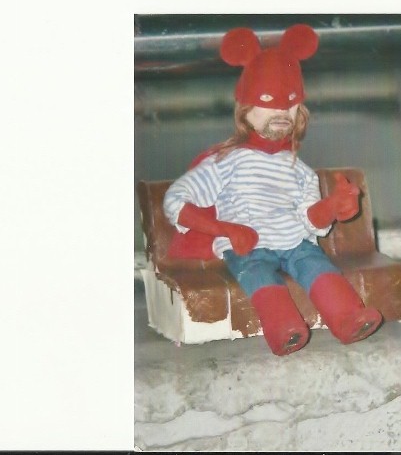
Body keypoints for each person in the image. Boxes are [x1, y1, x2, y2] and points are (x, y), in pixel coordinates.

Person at [163, 24, 383, 356]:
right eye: (268, 101)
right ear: (245, 110)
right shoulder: (226, 161)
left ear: (300, 111)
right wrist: (225, 230)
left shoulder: (300, 171)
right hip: (248, 245)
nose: (281, 113)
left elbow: (310, 222)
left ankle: (349, 318)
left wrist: (333, 207)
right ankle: (284, 329)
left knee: (316, 265)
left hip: (295, 241)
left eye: (290, 104)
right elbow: (175, 202)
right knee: (258, 273)